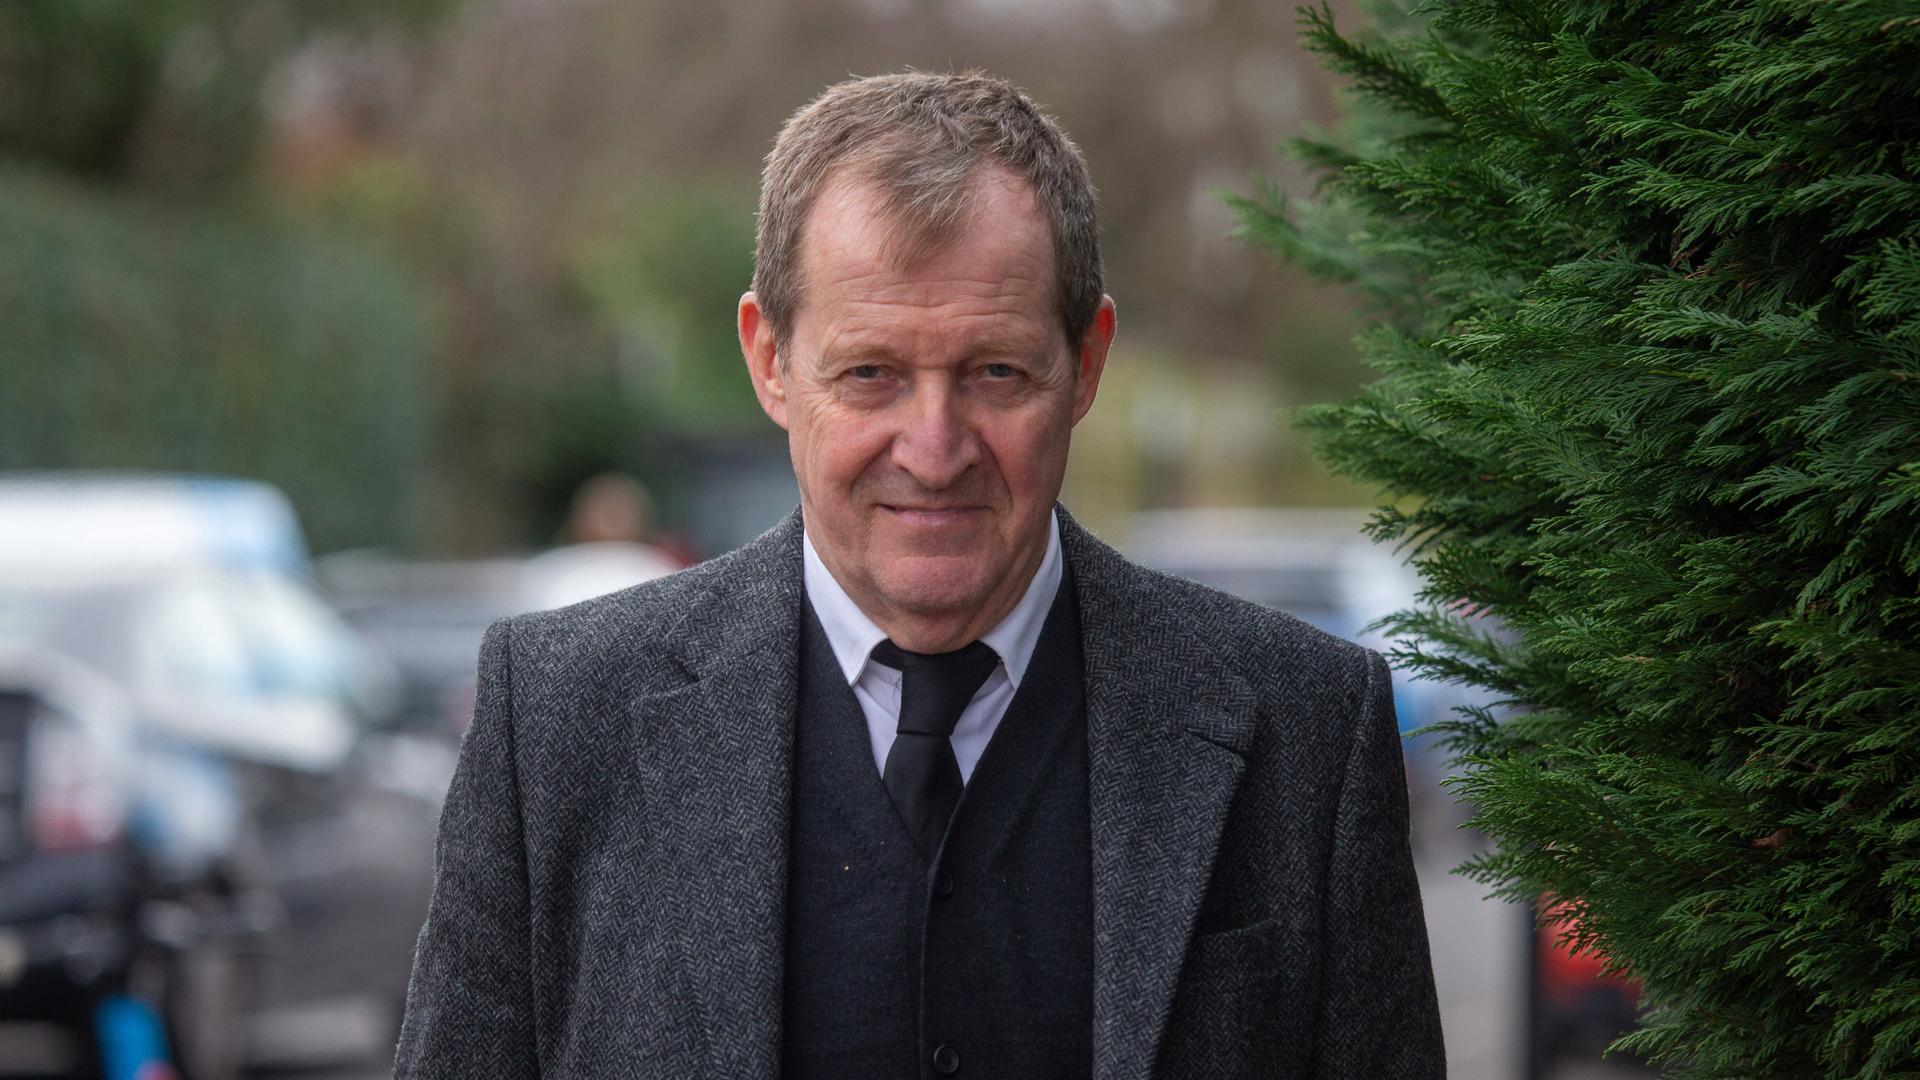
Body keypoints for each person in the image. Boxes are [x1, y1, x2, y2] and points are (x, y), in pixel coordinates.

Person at [393, 71, 1443, 1079]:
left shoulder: (1303, 732)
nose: (934, 450)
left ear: (1087, 362)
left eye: (995, 372)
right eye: (871, 375)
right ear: (769, 360)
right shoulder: (561, 724)